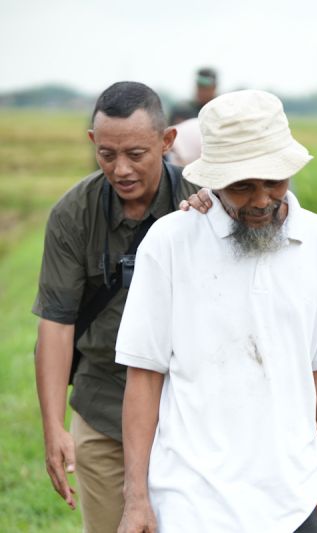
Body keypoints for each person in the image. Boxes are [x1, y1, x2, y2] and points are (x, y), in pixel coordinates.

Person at [115, 90, 317, 533]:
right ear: (211, 180)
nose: (261, 199)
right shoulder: (170, 242)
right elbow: (144, 375)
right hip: (190, 503)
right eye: (242, 186)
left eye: (274, 182)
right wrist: (137, 498)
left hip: (293, 501)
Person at [32, 81, 199, 533]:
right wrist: (54, 429)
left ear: (167, 142)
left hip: (188, 413)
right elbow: (56, 324)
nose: (121, 169)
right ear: (93, 144)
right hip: (104, 405)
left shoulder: (204, 202)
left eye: (136, 154)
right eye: (107, 154)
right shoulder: (74, 213)